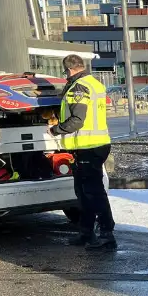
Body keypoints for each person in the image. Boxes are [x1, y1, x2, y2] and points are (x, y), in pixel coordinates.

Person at [50, 54, 115, 250]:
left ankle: (107, 235)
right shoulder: (94, 83)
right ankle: (86, 232)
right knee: (83, 191)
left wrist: (55, 129)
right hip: (94, 145)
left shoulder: (79, 87)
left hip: (89, 147)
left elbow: (77, 120)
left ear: (69, 69)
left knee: (93, 193)